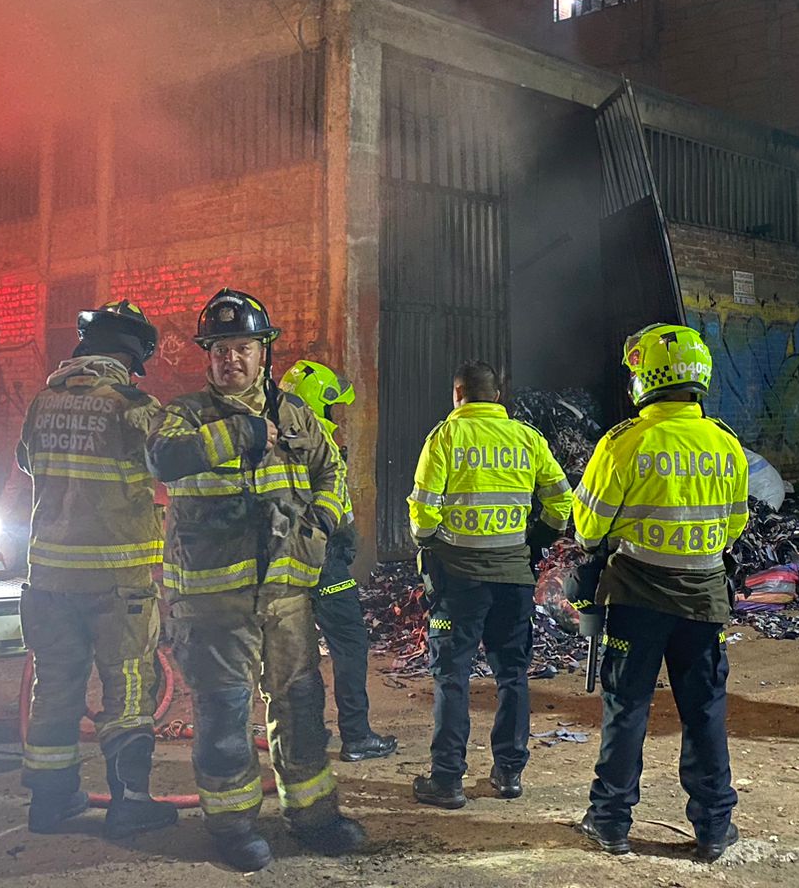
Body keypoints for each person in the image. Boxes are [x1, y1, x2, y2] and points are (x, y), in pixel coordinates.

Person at [147, 289, 365, 871]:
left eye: (241, 347)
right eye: (219, 350)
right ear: (208, 357)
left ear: (264, 351)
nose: (230, 360)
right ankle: (232, 825)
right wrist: (238, 435)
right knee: (223, 713)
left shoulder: (294, 414)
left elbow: (331, 470)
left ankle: (314, 816)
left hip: (287, 596)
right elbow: (163, 461)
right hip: (214, 600)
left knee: (299, 703)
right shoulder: (186, 415)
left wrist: (322, 519)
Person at [573, 324, 750, 861]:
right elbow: (735, 525)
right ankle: (714, 827)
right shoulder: (726, 443)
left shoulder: (624, 442)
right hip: (703, 599)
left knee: (627, 708)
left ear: (645, 379)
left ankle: (610, 822)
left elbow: (587, 530)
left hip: (637, 599)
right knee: (704, 711)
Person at [16, 301, 177, 839]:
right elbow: (173, 462)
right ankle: (130, 803)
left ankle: (50, 803)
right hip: (116, 581)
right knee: (128, 688)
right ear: (133, 356)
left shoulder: (43, 401)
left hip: (49, 578)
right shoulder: (133, 405)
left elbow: (25, 460)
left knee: (55, 686)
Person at [408, 360, 572, 810]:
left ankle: (447, 779)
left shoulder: (445, 437)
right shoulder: (527, 438)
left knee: (452, 676)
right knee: (512, 675)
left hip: (460, 580)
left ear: (458, 394)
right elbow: (562, 499)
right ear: (496, 395)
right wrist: (537, 538)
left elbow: (423, 511)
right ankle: (509, 773)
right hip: (514, 579)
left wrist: (430, 547)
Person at [277, 359, 396, 762]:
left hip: (284, 562)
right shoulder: (317, 441)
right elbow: (335, 506)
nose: (334, 416)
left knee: (296, 650)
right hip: (322, 559)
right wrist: (345, 538)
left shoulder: (276, 433)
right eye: (331, 408)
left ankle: (306, 734)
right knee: (349, 642)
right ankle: (357, 736)